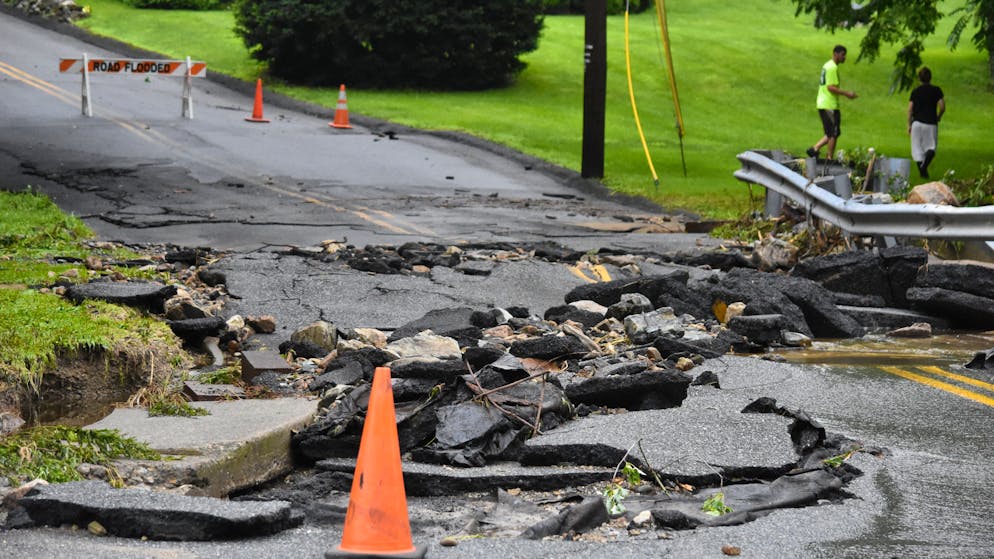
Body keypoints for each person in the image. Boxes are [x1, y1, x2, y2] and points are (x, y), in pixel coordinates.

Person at [806, 45, 858, 160]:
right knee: (834, 132)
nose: (845, 57)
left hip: (823, 103)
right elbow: (831, 87)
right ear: (836, 54)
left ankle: (815, 149)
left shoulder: (827, 65)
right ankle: (829, 158)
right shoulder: (832, 68)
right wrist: (847, 93)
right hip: (829, 104)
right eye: (843, 54)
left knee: (832, 132)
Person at [908, 66, 945, 179]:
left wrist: (909, 124)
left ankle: (923, 171)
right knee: (931, 147)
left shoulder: (915, 91)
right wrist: (938, 116)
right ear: (930, 77)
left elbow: (910, 109)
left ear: (919, 78)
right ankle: (924, 168)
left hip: (917, 123)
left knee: (917, 148)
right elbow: (942, 106)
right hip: (930, 123)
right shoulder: (936, 90)